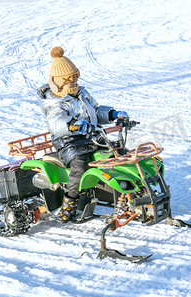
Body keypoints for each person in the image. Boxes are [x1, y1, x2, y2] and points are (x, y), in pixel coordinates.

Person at [37, 46, 128, 223]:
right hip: (70, 143)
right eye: (70, 84)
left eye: (76, 82)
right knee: (79, 166)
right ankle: (69, 202)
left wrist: (113, 114)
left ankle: (124, 194)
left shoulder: (82, 94)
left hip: (92, 136)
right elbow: (56, 123)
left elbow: (95, 110)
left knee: (117, 154)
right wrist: (73, 126)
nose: (75, 86)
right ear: (58, 84)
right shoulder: (55, 103)